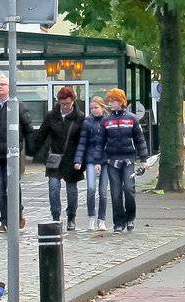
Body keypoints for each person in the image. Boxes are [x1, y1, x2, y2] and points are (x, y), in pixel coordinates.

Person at [0, 74, 34, 234]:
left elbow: (28, 130)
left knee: (12, 187)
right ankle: (5, 221)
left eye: (3, 84)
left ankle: (17, 214)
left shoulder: (18, 106)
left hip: (13, 155)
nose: (0, 87)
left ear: (9, 87)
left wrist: (31, 153)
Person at [100, 87, 152, 233]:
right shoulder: (106, 120)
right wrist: (99, 161)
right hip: (112, 161)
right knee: (115, 193)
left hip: (128, 160)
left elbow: (140, 140)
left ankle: (130, 218)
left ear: (121, 101)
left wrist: (144, 159)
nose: (111, 103)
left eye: (114, 100)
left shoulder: (132, 119)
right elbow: (100, 143)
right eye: (109, 100)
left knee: (129, 189)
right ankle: (118, 223)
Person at [38, 86, 87, 231]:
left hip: (72, 159)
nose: (65, 106)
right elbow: (42, 134)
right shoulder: (51, 115)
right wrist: (37, 152)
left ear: (73, 101)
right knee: (53, 188)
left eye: (67, 103)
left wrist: (81, 160)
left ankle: (71, 217)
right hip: (55, 158)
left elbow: (82, 140)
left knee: (72, 191)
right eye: (62, 103)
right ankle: (55, 217)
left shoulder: (80, 116)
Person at [81, 96, 110, 232]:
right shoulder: (87, 121)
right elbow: (83, 142)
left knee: (103, 191)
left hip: (104, 159)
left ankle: (102, 219)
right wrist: (78, 160)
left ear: (103, 108)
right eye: (91, 108)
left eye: (96, 108)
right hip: (91, 159)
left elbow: (108, 143)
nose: (93, 110)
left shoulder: (107, 121)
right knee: (91, 189)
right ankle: (91, 217)